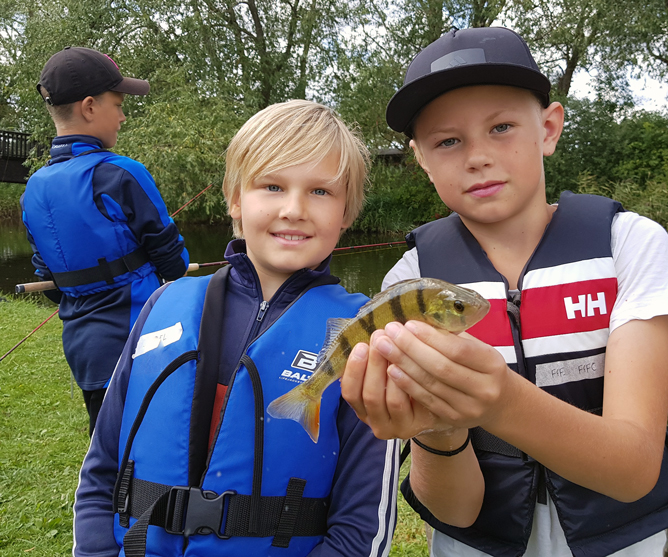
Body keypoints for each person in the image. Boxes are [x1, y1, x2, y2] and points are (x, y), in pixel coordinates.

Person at [341, 27, 668, 557]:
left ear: (548, 128)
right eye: (447, 141)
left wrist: (499, 400)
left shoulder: (630, 245)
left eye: (501, 127)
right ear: (421, 159)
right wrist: (439, 430)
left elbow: (634, 471)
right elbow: (452, 512)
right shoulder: (409, 281)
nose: (477, 156)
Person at [72, 100, 400, 557]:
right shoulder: (163, 304)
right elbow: (101, 468)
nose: (293, 209)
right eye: (271, 185)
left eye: (321, 192)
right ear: (235, 198)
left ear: (347, 211)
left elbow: (362, 526)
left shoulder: (368, 334)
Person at [20, 46, 189, 436]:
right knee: (150, 441)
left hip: (84, 352)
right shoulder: (122, 174)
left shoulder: (32, 191)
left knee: (106, 443)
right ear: (91, 107)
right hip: (141, 343)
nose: (123, 116)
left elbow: (49, 282)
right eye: (119, 104)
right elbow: (174, 263)